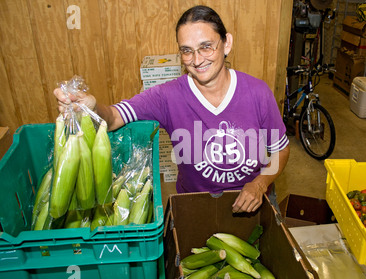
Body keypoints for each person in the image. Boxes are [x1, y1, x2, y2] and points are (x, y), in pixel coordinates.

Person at [54, 5, 290, 213]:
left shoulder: (257, 92)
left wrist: (260, 184)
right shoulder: (167, 96)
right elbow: (115, 117)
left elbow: (280, 150)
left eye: (206, 47)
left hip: (253, 200)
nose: (197, 61)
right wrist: (92, 108)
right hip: (196, 205)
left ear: (226, 43)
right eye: (187, 51)